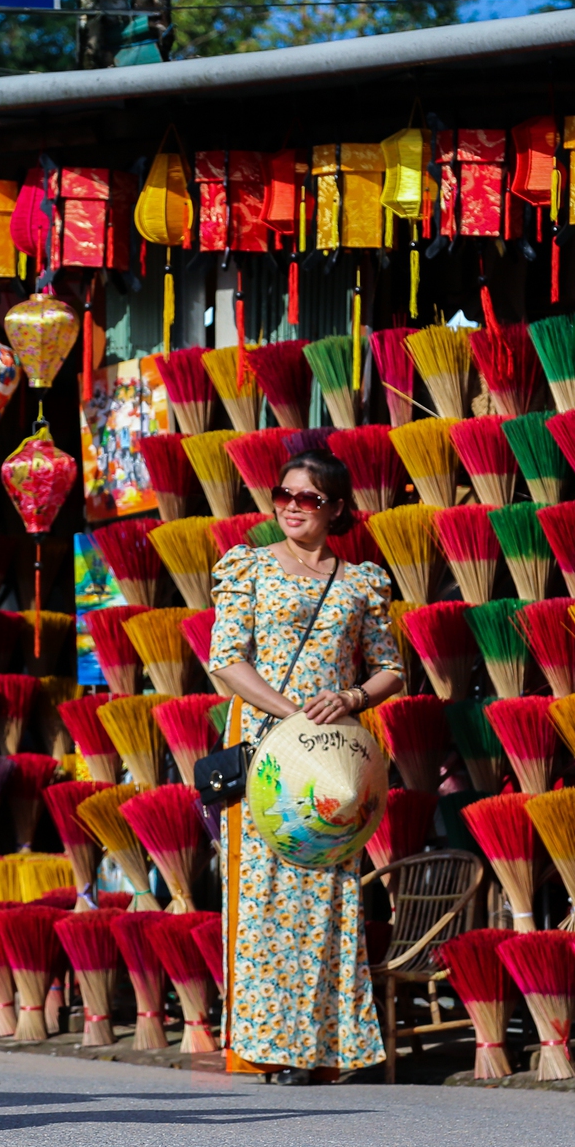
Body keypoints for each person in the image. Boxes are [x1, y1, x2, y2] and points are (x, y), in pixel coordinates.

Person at [208, 450, 406, 1083]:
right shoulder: (250, 569)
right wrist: (291, 714)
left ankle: (329, 1048)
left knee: (328, 895)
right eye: (283, 495)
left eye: (309, 498)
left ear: (337, 509)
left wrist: (351, 698)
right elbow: (225, 660)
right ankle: (271, 1046)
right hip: (270, 751)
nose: (291, 507)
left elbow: (392, 668)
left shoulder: (360, 583)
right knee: (264, 897)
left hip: (334, 762)